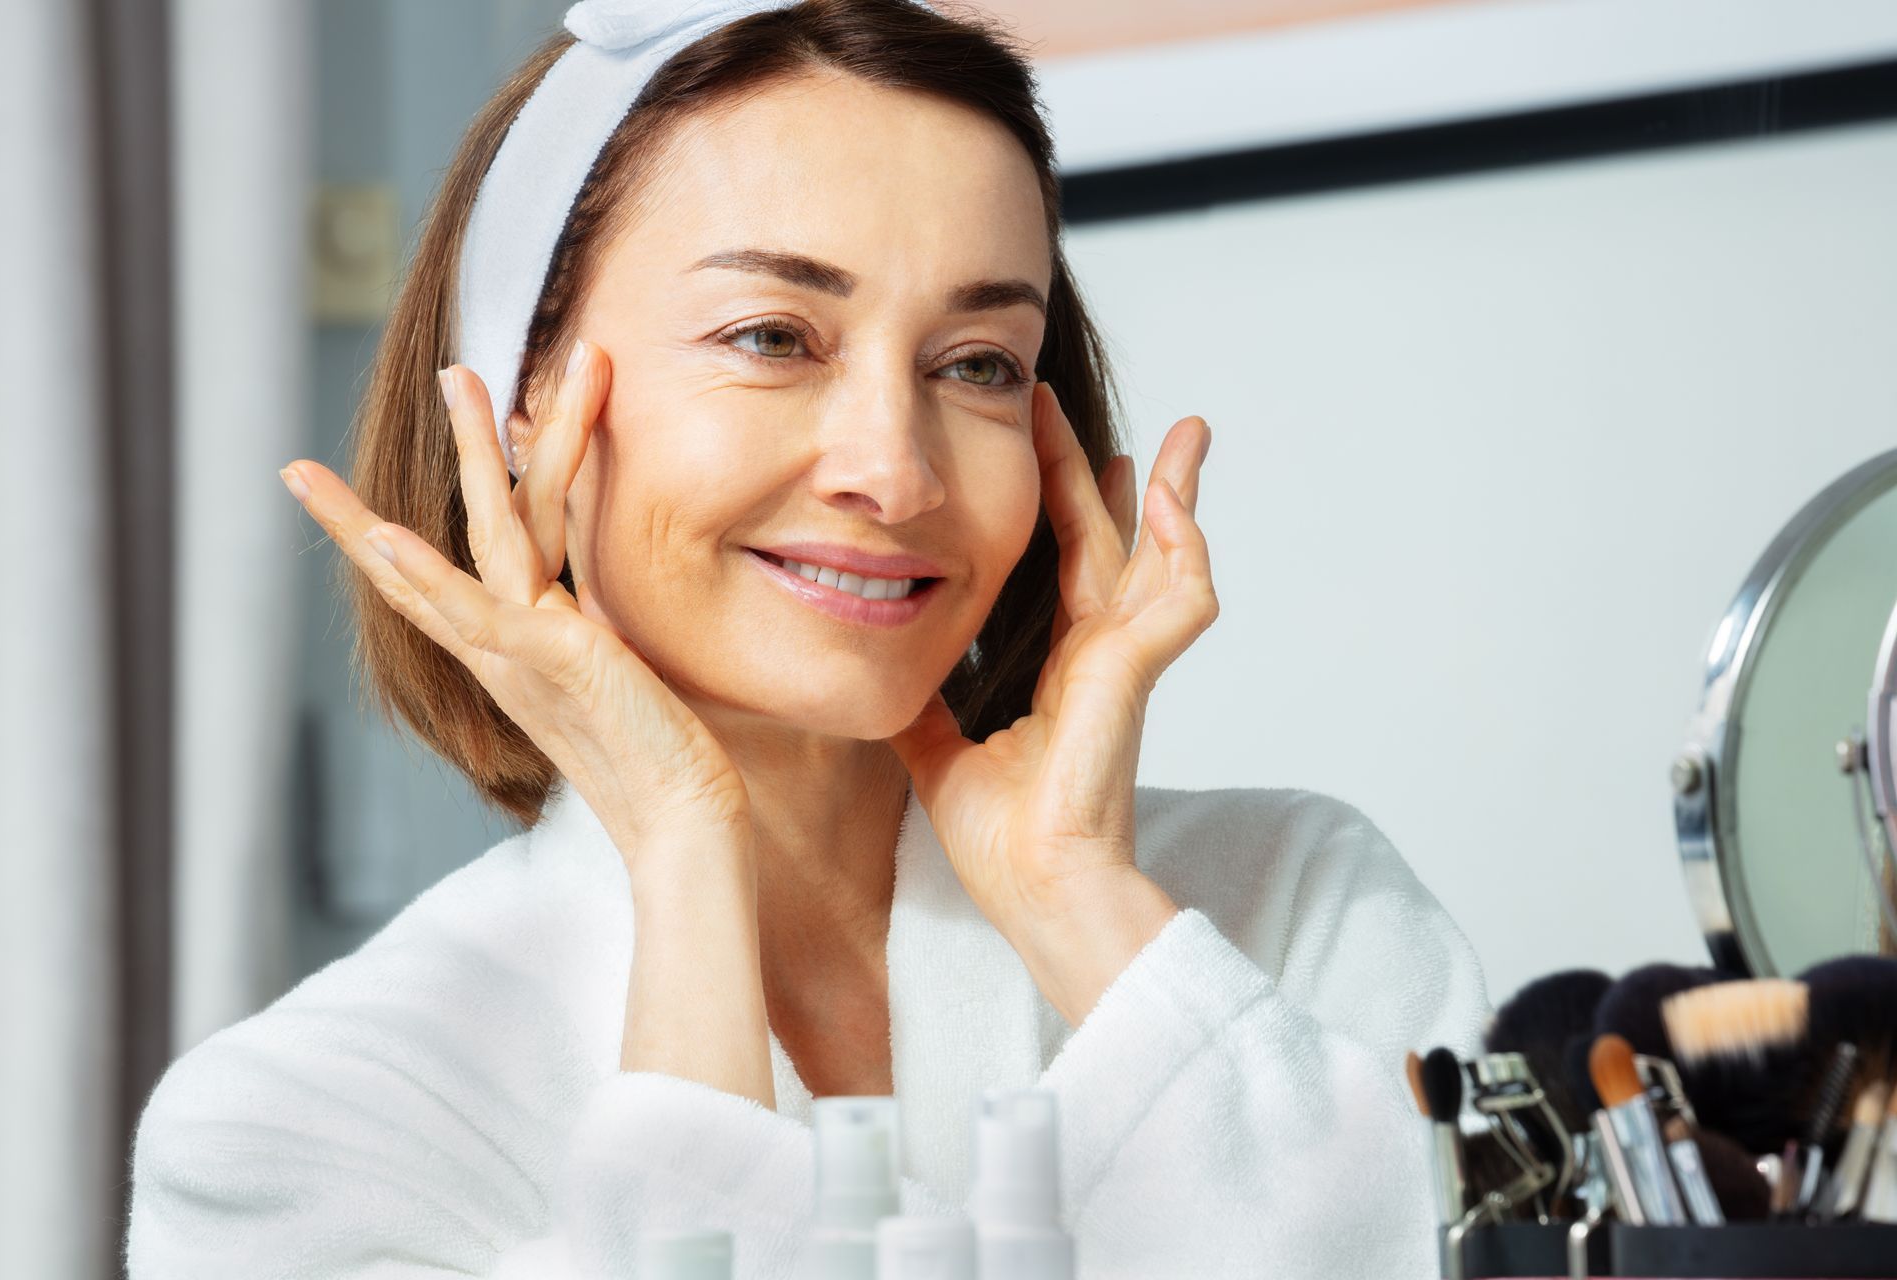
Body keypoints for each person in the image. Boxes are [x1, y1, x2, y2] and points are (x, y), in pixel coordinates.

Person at [126, 1, 1490, 1275]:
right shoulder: (307, 1121)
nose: (894, 473)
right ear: (523, 393)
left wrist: (1079, 892)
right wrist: (681, 845)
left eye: (977, 364)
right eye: (776, 335)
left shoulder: (1301, 912)